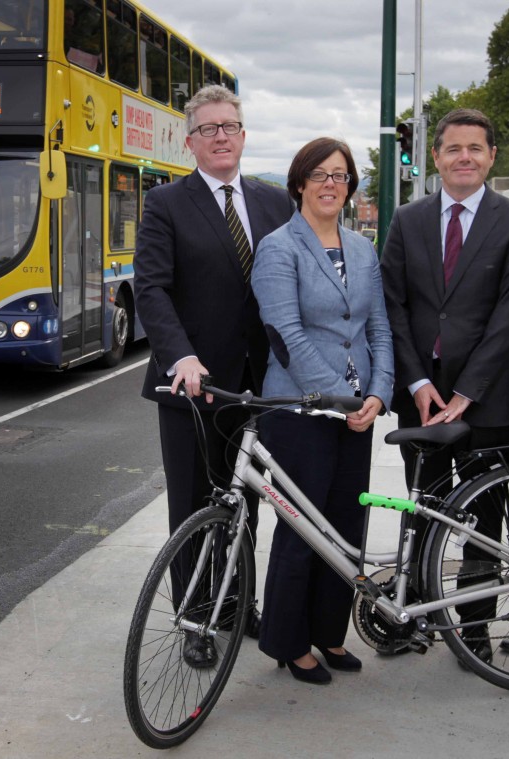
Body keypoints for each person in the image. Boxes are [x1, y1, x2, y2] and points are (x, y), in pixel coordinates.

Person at [134, 85, 294, 667]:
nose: (221, 136)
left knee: (245, 505)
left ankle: (234, 605)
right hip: (193, 387)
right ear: (190, 141)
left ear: (244, 135)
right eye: (208, 129)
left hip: (262, 385)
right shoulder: (165, 204)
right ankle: (196, 618)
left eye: (230, 126)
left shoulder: (276, 203)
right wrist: (180, 355)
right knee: (196, 506)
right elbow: (150, 288)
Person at [380, 108, 509, 669]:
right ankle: (415, 617)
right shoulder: (407, 220)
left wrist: (467, 392)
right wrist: (419, 381)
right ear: (436, 157)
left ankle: (473, 627)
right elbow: (393, 306)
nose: (464, 157)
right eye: (453, 148)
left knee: (484, 518)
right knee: (420, 510)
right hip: (422, 396)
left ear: (492, 156)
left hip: (489, 399)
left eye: (476, 147)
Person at [252, 137, 394, 685]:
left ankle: (330, 634)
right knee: (302, 533)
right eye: (320, 175)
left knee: (344, 529)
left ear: (351, 186)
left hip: (357, 414)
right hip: (300, 413)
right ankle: (290, 643)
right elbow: (285, 335)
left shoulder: (361, 248)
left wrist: (378, 394)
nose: (331, 184)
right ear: (299, 184)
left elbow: (379, 328)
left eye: (340, 175)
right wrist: (339, 397)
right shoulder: (279, 247)